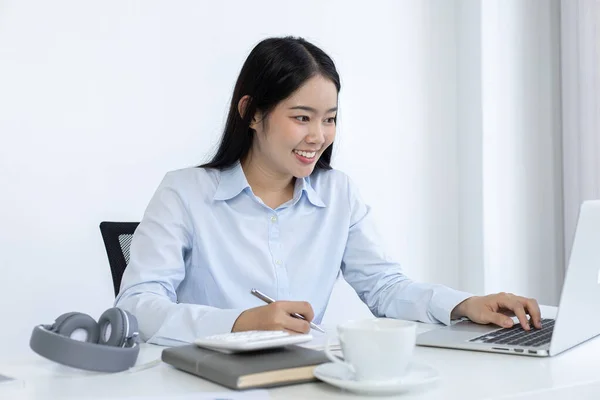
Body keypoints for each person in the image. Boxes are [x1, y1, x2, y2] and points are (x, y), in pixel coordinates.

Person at [115, 36, 542, 346]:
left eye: (329, 119)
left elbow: (384, 286)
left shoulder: (338, 194)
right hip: (207, 383)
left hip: (304, 381)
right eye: (302, 117)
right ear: (251, 113)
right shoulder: (185, 193)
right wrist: (241, 321)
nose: (319, 136)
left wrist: (464, 304)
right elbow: (136, 307)